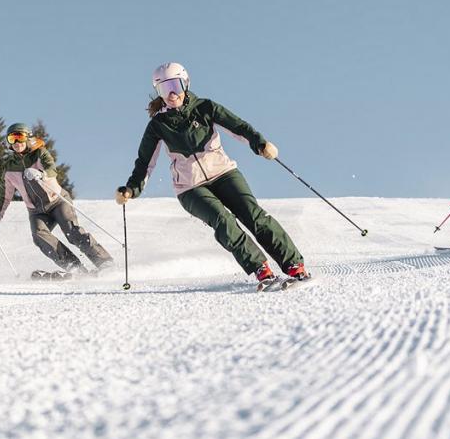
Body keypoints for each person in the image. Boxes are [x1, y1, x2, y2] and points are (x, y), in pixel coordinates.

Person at [114, 62, 308, 285]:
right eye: (163, 89)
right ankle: (260, 269)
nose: (171, 94)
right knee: (223, 221)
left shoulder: (205, 107)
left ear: (185, 84)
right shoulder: (158, 125)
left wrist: (261, 144)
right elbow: (144, 163)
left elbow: (238, 127)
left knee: (252, 215)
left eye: (175, 85)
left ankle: (294, 265)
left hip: (224, 173)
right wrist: (131, 189)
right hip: (190, 188)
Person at [0, 123, 113, 272]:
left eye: (20, 137)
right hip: (36, 210)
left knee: (72, 232)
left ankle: (104, 261)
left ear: (28, 138)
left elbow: (52, 169)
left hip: (57, 201)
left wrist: (42, 174)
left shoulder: (40, 153)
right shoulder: (9, 168)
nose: (17, 143)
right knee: (39, 236)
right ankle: (74, 267)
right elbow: (5, 197)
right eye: (12, 138)